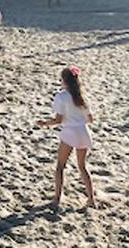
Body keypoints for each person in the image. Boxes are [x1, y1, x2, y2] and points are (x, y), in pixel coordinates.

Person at [37, 66, 96, 211]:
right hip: (84, 132)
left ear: (64, 80)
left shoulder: (61, 96)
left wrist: (45, 123)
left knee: (60, 166)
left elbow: (58, 120)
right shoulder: (81, 96)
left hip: (70, 132)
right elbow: (90, 119)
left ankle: (57, 199)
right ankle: (91, 199)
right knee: (82, 167)